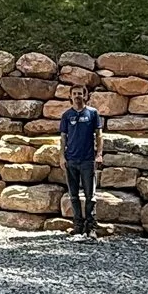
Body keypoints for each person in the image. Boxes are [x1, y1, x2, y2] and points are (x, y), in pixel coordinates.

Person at [58, 98, 105, 234]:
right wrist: (62, 156)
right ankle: (78, 226)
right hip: (71, 159)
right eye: (75, 93)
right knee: (73, 195)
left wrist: (99, 154)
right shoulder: (67, 115)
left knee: (90, 195)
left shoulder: (92, 113)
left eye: (80, 93)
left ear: (85, 96)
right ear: (71, 96)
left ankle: (91, 227)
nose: (77, 96)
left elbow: (99, 135)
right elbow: (63, 138)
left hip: (88, 159)